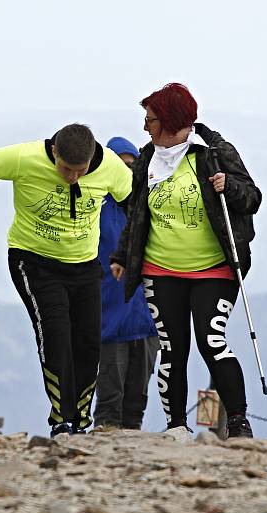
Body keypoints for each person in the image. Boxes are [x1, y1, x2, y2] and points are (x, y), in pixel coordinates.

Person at [0, 124, 132, 437]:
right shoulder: (26, 157)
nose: (72, 177)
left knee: (89, 345)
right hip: (33, 262)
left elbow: (136, 204)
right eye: (65, 169)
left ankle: (81, 421)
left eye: (80, 171)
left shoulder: (112, 167)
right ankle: (62, 421)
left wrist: (127, 252)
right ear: (54, 153)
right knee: (56, 336)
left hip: (85, 265)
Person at [111, 83, 261, 439]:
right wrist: (122, 255)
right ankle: (176, 425)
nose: (145, 127)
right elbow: (136, 212)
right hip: (160, 270)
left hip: (215, 269)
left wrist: (230, 186)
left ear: (171, 120)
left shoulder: (213, 152)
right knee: (172, 349)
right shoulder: (148, 158)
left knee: (212, 340)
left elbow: (252, 198)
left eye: (151, 120)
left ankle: (238, 422)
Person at [93, 137, 159, 429]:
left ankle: (131, 450)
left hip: (146, 318)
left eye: (131, 166)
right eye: (119, 165)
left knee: (137, 398)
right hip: (109, 315)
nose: (126, 172)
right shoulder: (95, 205)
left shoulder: (148, 205)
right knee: (109, 398)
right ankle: (104, 451)